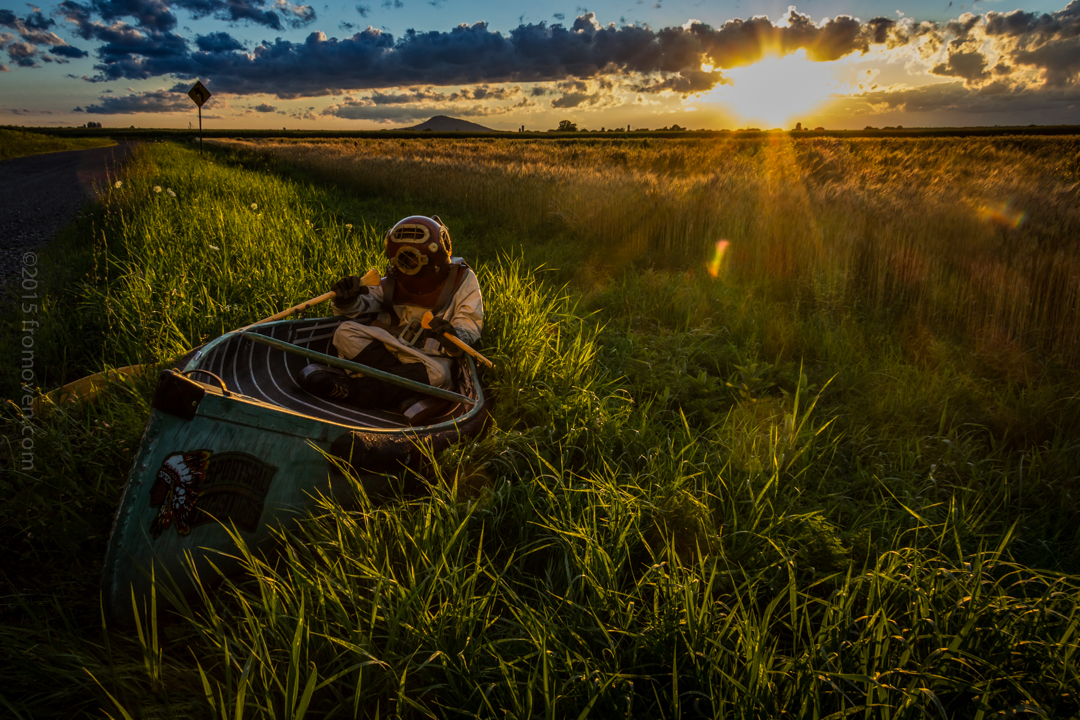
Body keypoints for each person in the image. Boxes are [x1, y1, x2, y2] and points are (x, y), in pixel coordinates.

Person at [298, 215, 483, 408]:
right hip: (388, 348)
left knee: (440, 376)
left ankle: (354, 390)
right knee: (344, 332)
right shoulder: (394, 278)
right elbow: (363, 305)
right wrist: (347, 300)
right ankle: (403, 388)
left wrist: (452, 337)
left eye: (413, 259)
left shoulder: (462, 279)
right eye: (404, 259)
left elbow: (468, 326)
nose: (408, 264)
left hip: (428, 358)